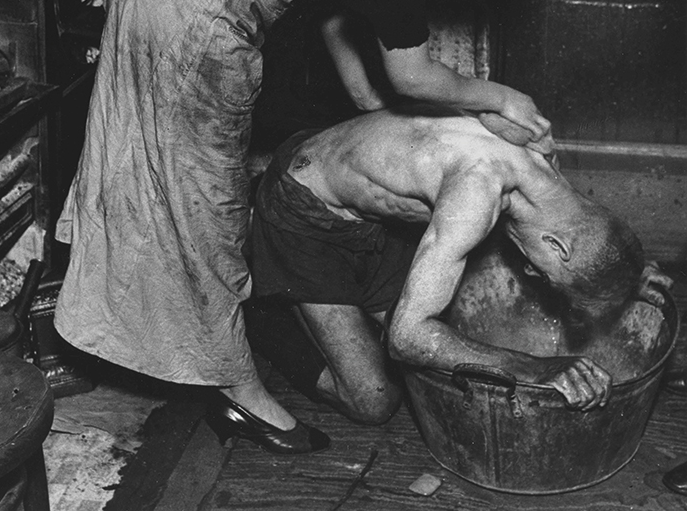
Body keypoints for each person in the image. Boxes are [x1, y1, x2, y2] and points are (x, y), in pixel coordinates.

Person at [53, 0, 552, 455]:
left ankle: (198, 332)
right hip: (190, 6)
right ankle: (239, 393)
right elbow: (412, 69)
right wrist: (502, 96)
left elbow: (341, 17)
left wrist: (374, 107)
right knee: (204, 199)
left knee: (160, 173)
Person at [246, 107, 672, 423]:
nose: (532, 274)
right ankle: (258, 309)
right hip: (304, 211)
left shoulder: (542, 159)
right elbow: (407, 339)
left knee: (456, 338)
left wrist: (624, 276)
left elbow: (595, 231)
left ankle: (325, 298)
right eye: (545, 274)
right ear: (558, 247)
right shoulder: (475, 192)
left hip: (368, 211)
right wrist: (535, 367)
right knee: (375, 398)